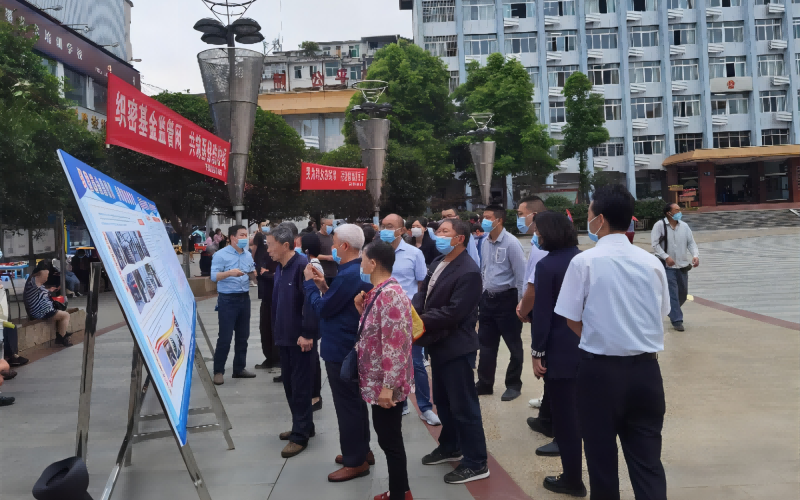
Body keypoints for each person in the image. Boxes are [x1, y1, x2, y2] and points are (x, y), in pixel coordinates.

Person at [555, 184, 670, 500]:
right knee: (647, 463)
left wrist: (601, 337)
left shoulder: (585, 262)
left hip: (599, 374)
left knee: (601, 463)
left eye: (590, 214)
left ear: (600, 219)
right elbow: (661, 312)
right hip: (646, 373)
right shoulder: (651, 262)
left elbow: (571, 318)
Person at [413, 218, 489, 485]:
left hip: (456, 347)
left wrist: (419, 321)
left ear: (460, 239)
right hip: (437, 344)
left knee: (464, 406)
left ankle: (476, 462)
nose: (438, 235)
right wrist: (414, 312)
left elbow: (454, 312)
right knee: (444, 403)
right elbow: (422, 294)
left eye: (445, 231)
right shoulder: (438, 262)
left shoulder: (468, 271)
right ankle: (450, 446)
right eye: (438, 231)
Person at [303, 224, 373, 482]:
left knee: (347, 406)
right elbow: (337, 301)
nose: (331, 248)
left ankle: (355, 460)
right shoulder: (354, 271)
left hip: (341, 347)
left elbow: (323, 309)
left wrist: (310, 286)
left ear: (344, 246)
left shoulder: (348, 274)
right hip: (348, 343)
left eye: (334, 243)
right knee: (355, 402)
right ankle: (362, 450)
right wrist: (323, 286)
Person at [529, 212, 586, 496]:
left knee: (566, 421)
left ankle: (572, 480)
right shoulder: (584, 259)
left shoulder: (547, 265)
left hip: (560, 351)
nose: (536, 236)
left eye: (538, 231)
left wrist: (537, 351)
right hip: (589, 348)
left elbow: (542, 314)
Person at [354, 240, 415, 500]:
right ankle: (400, 490)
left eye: (362, 260)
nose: (360, 264)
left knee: (390, 440)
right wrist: (361, 310)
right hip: (379, 379)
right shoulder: (380, 291)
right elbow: (376, 330)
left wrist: (388, 387)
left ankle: (399, 494)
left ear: (373, 263)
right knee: (388, 438)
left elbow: (395, 344)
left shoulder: (390, 294)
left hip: (386, 383)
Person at [380, 214, 441, 426]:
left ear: (401, 230)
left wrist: (417, 310)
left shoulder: (414, 253)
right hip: (383, 316)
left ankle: (425, 407)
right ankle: (400, 401)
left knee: (416, 362)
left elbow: (421, 284)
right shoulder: (376, 253)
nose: (385, 230)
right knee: (390, 362)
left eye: (390, 226)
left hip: (407, 315)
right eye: (383, 226)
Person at [266, 226, 314, 458]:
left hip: (299, 339)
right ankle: (303, 425)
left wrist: (307, 333)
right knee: (290, 385)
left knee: (300, 387)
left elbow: (311, 302)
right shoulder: (280, 268)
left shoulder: (303, 266)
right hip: (284, 337)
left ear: (285, 245)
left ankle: (300, 436)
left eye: (270, 245)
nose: (268, 250)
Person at [475, 204, 527, 401]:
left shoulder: (512, 243)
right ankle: (485, 383)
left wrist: (521, 304)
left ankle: (513, 384)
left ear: (499, 220)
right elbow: (484, 270)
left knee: (514, 345)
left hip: (507, 300)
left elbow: (521, 276)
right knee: (486, 345)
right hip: (488, 300)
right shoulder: (485, 242)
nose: (484, 221)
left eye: (488, 217)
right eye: (483, 217)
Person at [512, 196, 552, 423]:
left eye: (521, 214)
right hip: (544, 309)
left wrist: (523, 309)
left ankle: (548, 414)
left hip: (542, 310)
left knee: (544, 359)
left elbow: (533, 287)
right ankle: (547, 400)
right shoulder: (540, 242)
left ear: (533, 216)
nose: (519, 219)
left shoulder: (542, 246)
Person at [210, 225, 257, 385]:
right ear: (232, 237)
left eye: (246, 235)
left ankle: (239, 368)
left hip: (244, 297)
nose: (245, 238)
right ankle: (218, 371)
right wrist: (230, 273)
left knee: (243, 336)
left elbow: (252, 274)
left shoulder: (248, 255)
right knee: (225, 337)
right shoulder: (220, 255)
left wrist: (255, 275)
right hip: (227, 299)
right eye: (241, 235)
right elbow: (214, 276)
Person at [651, 203, 699, 332]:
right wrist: (666, 256)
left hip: (682, 265)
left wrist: (695, 255)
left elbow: (691, 242)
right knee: (672, 292)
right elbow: (655, 245)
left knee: (682, 293)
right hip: (667, 266)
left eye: (679, 210)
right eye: (677, 210)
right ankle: (677, 320)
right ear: (669, 213)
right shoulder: (659, 225)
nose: (679, 212)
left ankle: (670, 309)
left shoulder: (684, 226)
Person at [300, 232, 324, 412]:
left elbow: (312, 293)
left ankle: (315, 395)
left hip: (313, 314)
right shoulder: (313, 263)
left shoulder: (311, 266)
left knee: (312, 357)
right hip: (314, 312)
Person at [23, 261, 72, 346]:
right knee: (66, 315)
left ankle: (61, 332)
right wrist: (46, 271)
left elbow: (41, 291)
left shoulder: (35, 282)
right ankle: (61, 337)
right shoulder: (34, 281)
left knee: (61, 310)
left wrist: (50, 290)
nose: (47, 277)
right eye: (47, 274)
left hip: (43, 310)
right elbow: (43, 275)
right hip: (40, 312)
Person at [253, 225, 279, 371]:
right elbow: (259, 270)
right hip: (265, 296)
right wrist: (265, 273)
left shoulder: (281, 256)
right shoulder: (264, 254)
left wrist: (267, 274)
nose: (268, 247)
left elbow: (278, 276)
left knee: (276, 328)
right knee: (265, 328)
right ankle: (269, 357)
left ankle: (278, 358)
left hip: (277, 298)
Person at [317, 219, 339, 284]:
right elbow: (313, 255)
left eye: (332, 225)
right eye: (329, 225)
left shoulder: (332, 237)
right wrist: (327, 257)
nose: (331, 227)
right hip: (323, 274)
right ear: (322, 225)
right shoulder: (316, 237)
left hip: (334, 273)